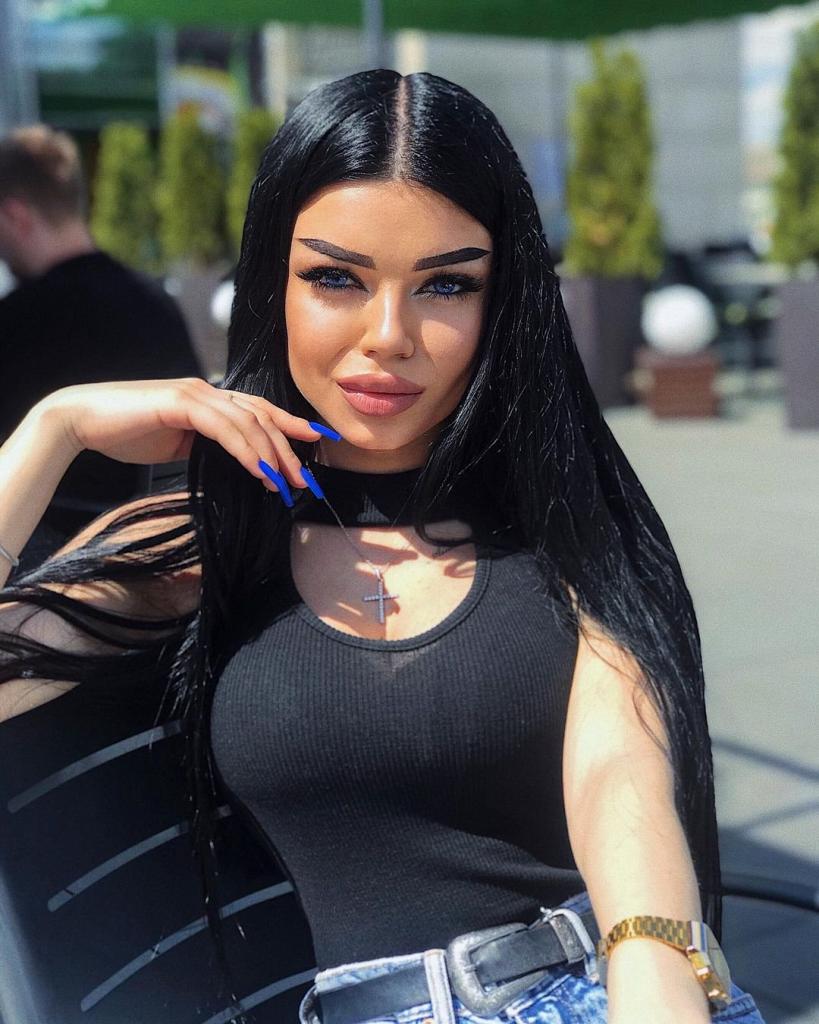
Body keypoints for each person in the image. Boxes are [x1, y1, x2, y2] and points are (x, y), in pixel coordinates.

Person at [0, 71, 766, 1024]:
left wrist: (653, 979)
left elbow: (621, 776)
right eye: (336, 278)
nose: (389, 336)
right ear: (271, 284)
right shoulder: (197, 540)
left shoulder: (564, 518)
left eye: (446, 284)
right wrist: (54, 429)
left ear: (502, 301)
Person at [0, 124, 202, 570]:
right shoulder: (157, 302)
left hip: (39, 570)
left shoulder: (14, 323)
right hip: (162, 553)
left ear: (16, 216)